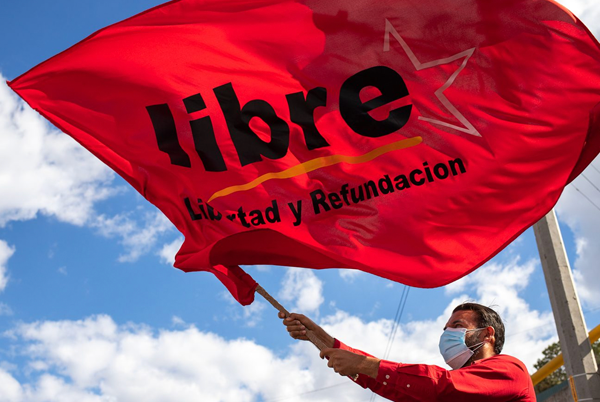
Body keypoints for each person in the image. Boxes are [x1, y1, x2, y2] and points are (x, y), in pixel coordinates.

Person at [279, 302, 535, 401]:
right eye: (446, 329)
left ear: (487, 334)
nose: (447, 334)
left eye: (457, 326)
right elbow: (392, 384)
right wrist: (319, 337)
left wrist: (363, 364)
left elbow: (441, 385)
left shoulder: (511, 370)